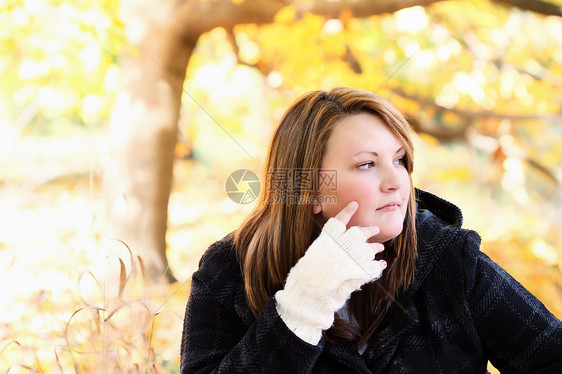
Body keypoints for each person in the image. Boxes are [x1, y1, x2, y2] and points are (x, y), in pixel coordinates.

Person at [180, 87, 562, 373]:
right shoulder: (229, 272)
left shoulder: (447, 256)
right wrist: (300, 308)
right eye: (367, 165)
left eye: (400, 160)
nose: (396, 181)